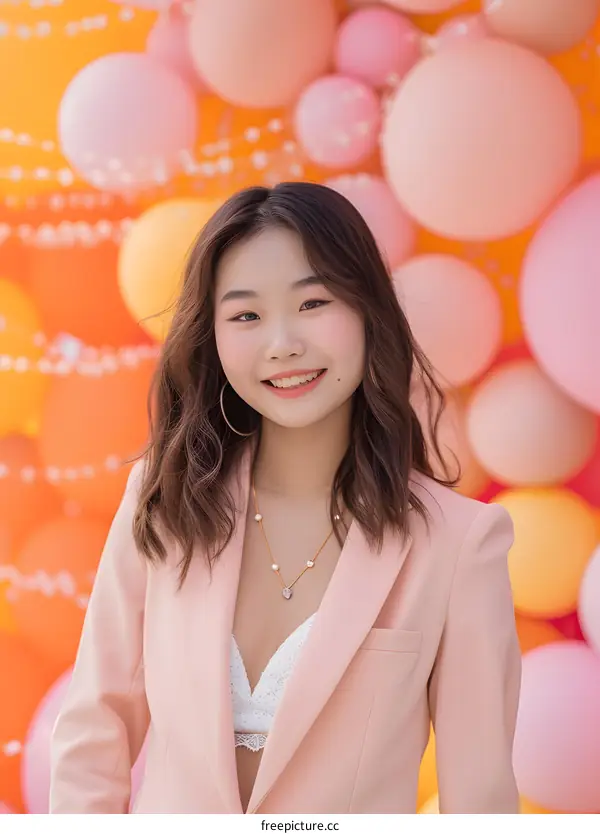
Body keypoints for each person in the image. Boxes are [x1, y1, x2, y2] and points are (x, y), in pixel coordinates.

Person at [49, 182, 521, 815]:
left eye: (313, 302)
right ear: (211, 335)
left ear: (367, 311)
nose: (282, 344)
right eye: (245, 315)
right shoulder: (163, 500)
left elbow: (480, 799)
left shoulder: (459, 544)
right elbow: (95, 732)